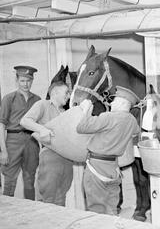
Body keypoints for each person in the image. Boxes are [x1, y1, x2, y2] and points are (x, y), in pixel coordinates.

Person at [76, 86, 140, 215]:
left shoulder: (108, 117)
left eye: (114, 100)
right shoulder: (132, 121)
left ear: (122, 103)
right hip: (113, 169)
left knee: (97, 210)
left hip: (97, 167)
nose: (111, 103)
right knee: (111, 207)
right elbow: (135, 133)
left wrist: (86, 109)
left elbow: (81, 127)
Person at [20, 81, 73, 206]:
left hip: (67, 160)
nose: (69, 96)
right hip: (50, 157)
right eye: (66, 92)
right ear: (55, 92)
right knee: (47, 198)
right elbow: (24, 121)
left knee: (61, 197)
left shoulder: (66, 113)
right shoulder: (42, 104)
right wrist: (42, 129)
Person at [0, 66, 41, 199]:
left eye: (28, 81)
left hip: (32, 141)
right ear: (17, 80)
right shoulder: (8, 98)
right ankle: (7, 215)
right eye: (22, 81)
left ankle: (31, 213)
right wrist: (3, 150)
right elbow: (1, 125)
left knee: (30, 180)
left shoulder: (37, 100)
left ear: (32, 81)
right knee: (9, 181)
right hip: (13, 141)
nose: (25, 84)